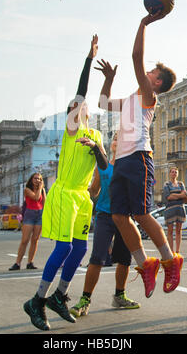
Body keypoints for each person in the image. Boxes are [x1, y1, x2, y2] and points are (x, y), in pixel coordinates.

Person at [23, 34, 108, 331]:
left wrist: (97, 149)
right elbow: (81, 91)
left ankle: (59, 296)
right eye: (72, 104)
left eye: (79, 104)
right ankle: (37, 300)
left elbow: (105, 166)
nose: (75, 105)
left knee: (80, 249)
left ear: (87, 111)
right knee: (62, 249)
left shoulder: (95, 136)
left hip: (83, 198)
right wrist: (89, 58)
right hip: (63, 194)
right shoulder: (71, 131)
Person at [96, 10, 183, 300]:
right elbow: (104, 103)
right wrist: (108, 79)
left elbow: (136, 58)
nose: (146, 73)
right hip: (122, 162)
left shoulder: (149, 97)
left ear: (156, 83)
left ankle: (170, 261)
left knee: (142, 213)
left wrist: (143, 23)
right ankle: (145, 264)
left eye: (151, 74)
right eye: (149, 72)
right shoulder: (132, 99)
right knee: (120, 216)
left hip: (138, 159)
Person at [70, 133, 140, 318]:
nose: (118, 141)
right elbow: (94, 190)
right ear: (111, 145)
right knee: (97, 258)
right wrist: (79, 190)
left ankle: (119, 295)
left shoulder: (130, 168)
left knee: (124, 259)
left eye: (122, 138)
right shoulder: (103, 167)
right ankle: (85, 299)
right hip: (105, 217)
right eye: (116, 138)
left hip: (124, 217)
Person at [9, 173, 46, 271]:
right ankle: (17, 263)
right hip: (30, 215)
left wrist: (42, 189)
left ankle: (30, 262)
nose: (37, 180)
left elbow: (44, 202)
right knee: (25, 240)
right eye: (35, 178)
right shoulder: (27, 190)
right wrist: (40, 188)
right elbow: (36, 198)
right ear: (31, 179)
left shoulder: (42, 190)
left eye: (39, 179)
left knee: (35, 240)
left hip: (39, 215)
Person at [163, 167, 187, 254]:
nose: (174, 174)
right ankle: (171, 251)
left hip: (180, 209)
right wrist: (179, 195)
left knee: (178, 230)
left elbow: (185, 195)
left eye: (175, 172)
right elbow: (168, 197)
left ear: (177, 174)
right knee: (170, 231)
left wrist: (174, 194)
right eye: (172, 172)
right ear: (170, 174)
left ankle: (177, 251)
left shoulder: (181, 184)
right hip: (170, 209)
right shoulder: (166, 184)